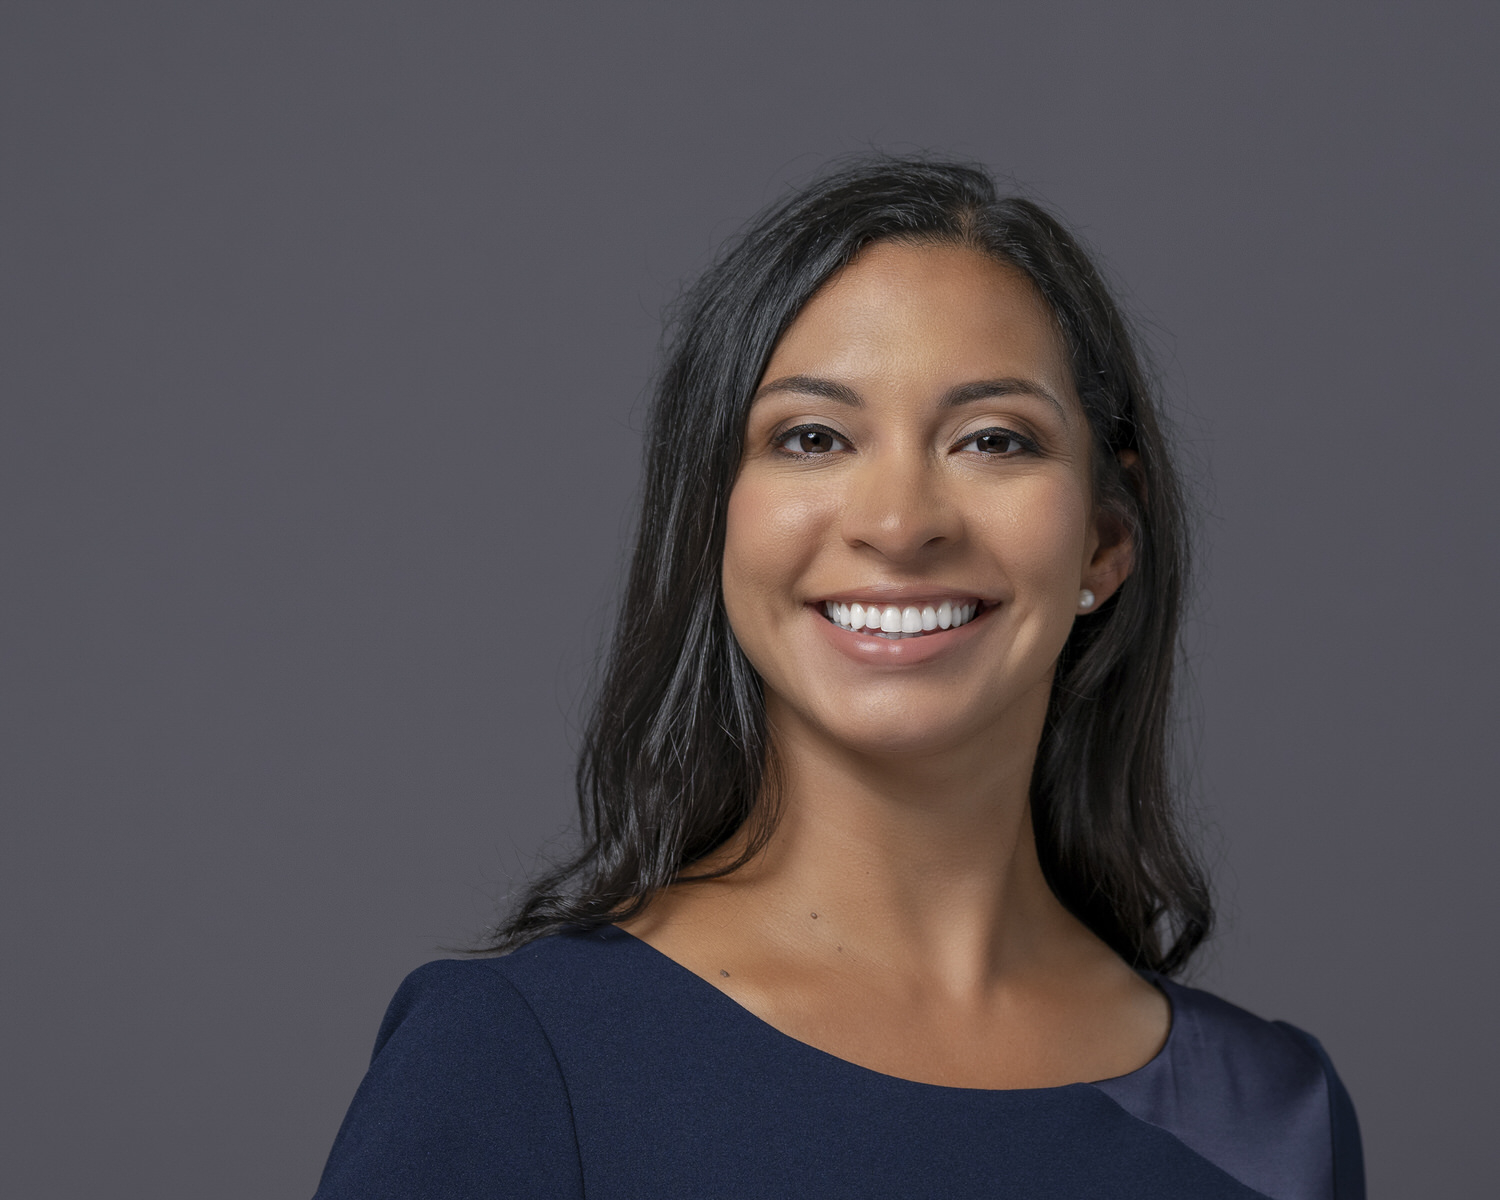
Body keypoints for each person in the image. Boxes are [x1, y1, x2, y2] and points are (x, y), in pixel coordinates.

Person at [313, 158, 1364, 1199]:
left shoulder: (1278, 1121)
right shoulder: (517, 1059)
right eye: (813, 438)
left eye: (993, 440)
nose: (899, 524)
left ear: (1104, 535)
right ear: (714, 517)